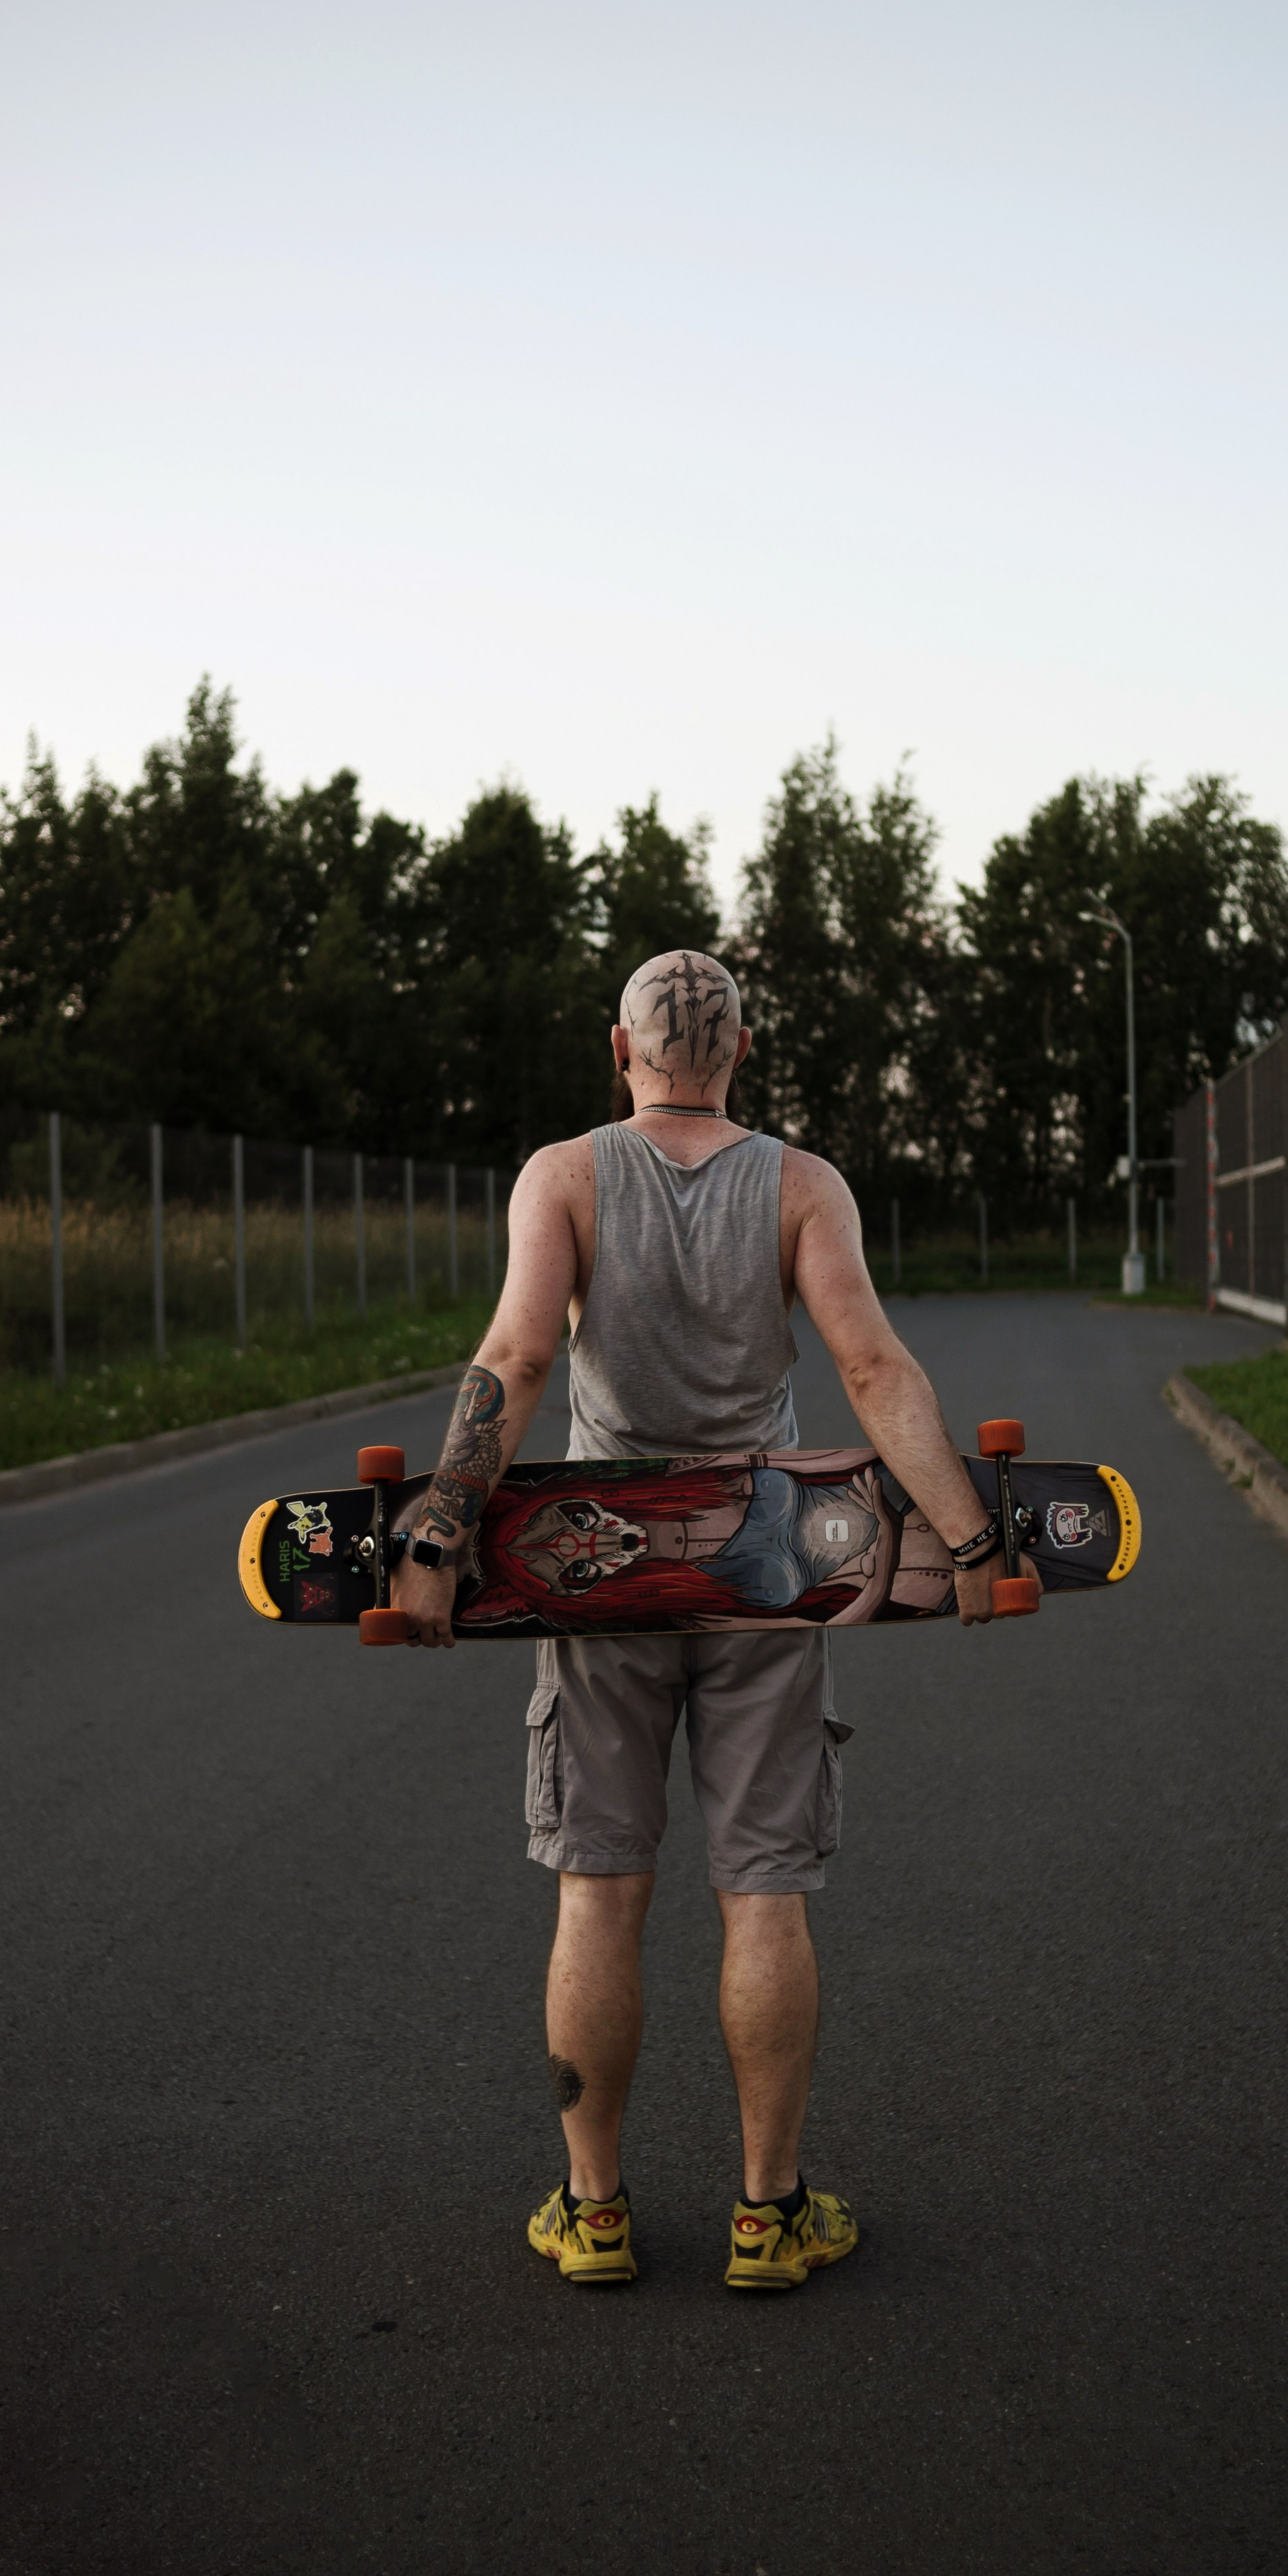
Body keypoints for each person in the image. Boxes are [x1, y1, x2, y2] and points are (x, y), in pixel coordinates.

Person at [392, 949, 1036, 2289]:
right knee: (764, 1900)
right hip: (766, 1578)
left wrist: (442, 1531)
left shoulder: (562, 1175)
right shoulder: (804, 1186)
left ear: (616, 1050)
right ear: (743, 1049)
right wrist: (971, 1536)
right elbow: (871, 1366)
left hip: (596, 1576)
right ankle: (770, 2216)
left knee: (599, 1892)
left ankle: (596, 2213)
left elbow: (512, 1360)